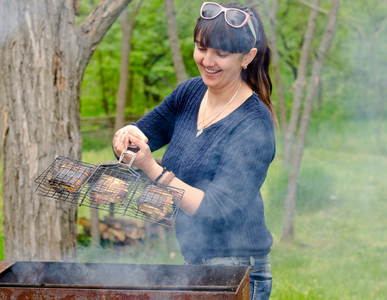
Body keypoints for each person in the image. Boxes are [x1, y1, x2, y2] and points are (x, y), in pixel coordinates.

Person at [112, 2, 277, 299]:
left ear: (247, 57)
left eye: (221, 53)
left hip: (237, 268)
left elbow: (214, 210)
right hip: (195, 260)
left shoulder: (255, 124)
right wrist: (125, 136)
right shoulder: (190, 92)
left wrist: (152, 169)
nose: (207, 60)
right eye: (201, 47)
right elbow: (140, 138)